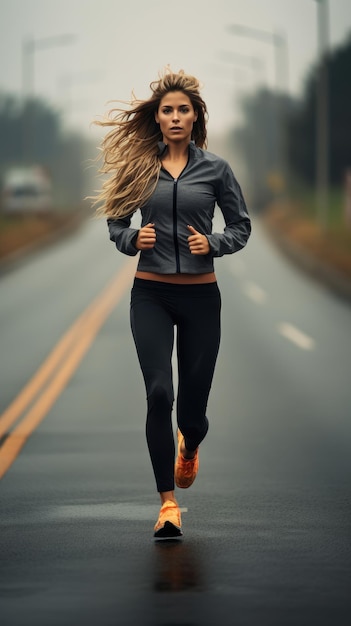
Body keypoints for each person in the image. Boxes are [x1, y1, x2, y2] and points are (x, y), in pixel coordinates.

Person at [94, 68, 251, 540]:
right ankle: (167, 505)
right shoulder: (140, 168)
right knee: (160, 391)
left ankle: (191, 443)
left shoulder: (216, 169)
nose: (176, 117)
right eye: (168, 110)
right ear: (157, 118)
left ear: (195, 116)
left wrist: (215, 243)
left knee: (192, 409)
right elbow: (115, 222)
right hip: (152, 294)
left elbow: (240, 226)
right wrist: (130, 239)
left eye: (184, 109)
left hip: (202, 295)